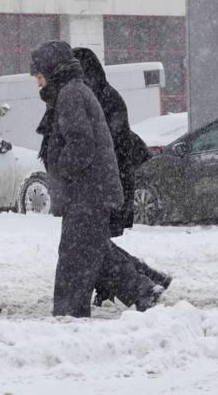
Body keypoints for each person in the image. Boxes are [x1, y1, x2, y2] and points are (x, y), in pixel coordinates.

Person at [32, 40, 159, 317]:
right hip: (90, 192)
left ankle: (69, 316)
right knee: (94, 252)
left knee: (74, 259)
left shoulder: (70, 96)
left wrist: (59, 168)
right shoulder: (73, 92)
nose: (37, 80)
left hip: (87, 194)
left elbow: (80, 145)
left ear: (53, 70)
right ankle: (142, 289)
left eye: (39, 73)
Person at [72, 47, 173, 304]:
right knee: (96, 241)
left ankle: (144, 281)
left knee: (93, 243)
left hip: (109, 182)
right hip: (112, 180)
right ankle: (137, 280)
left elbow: (108, 144)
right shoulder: (103, 95)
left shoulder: (99, 98)